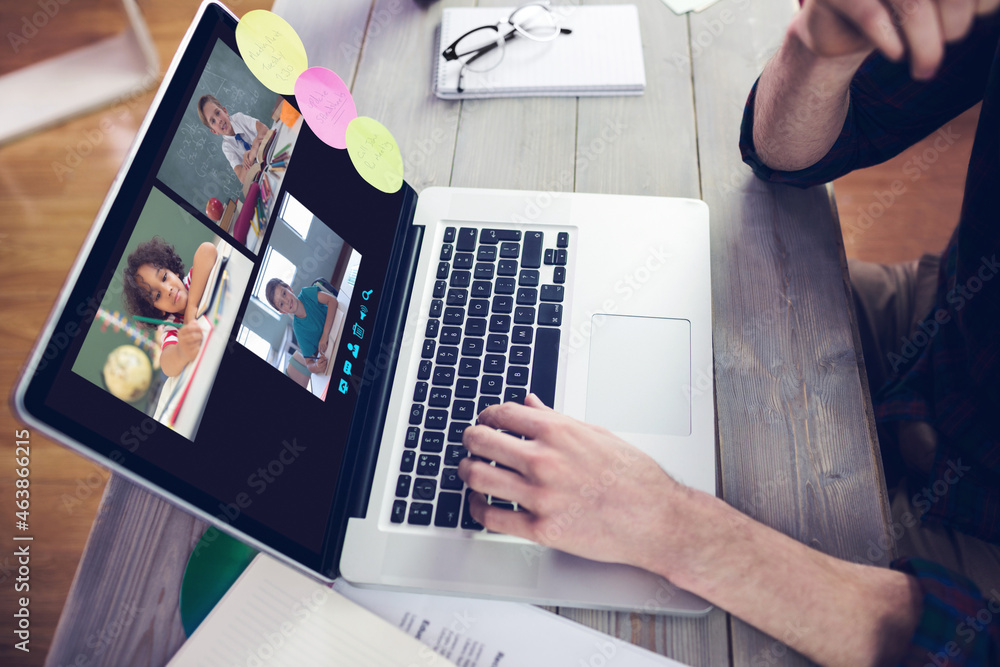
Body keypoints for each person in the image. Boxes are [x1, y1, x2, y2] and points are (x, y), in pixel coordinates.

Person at [457, 1, 1000, 664]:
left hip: (973, 557)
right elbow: (786, 151)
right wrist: (822, 47)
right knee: (608, 296)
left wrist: (675, 526)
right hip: (940, 334)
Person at [123, 237, 218, 378]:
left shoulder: (192, 281)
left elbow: (207, 250)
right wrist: (181, 351)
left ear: (174, 271)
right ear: (156, 309)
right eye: (157, 296)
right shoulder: (172, 325)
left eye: (164, 277)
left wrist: (191, 306)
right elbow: (166, 365)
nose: (168, 290)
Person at [264, 278, 341, 375]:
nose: (286, 301)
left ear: (289, 288)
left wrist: (325, 334)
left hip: (342, 322)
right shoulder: (298, 328)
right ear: (283, 311)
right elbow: (309, 363)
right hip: (335, 347)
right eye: (281, 304)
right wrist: (317, 366)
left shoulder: (306, 294)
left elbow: (332, 301)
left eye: (284, 293)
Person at [197, 94, 269, 182]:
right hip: (263, 177)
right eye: (213, 121)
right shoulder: (226, 147)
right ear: (214, 131)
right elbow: (242, 178)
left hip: (271, 154)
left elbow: (264, 129)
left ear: (225, 111)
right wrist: (252, 153)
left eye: (218, 113)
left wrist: (253, 150)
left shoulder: (239, 119)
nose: (219, 120)